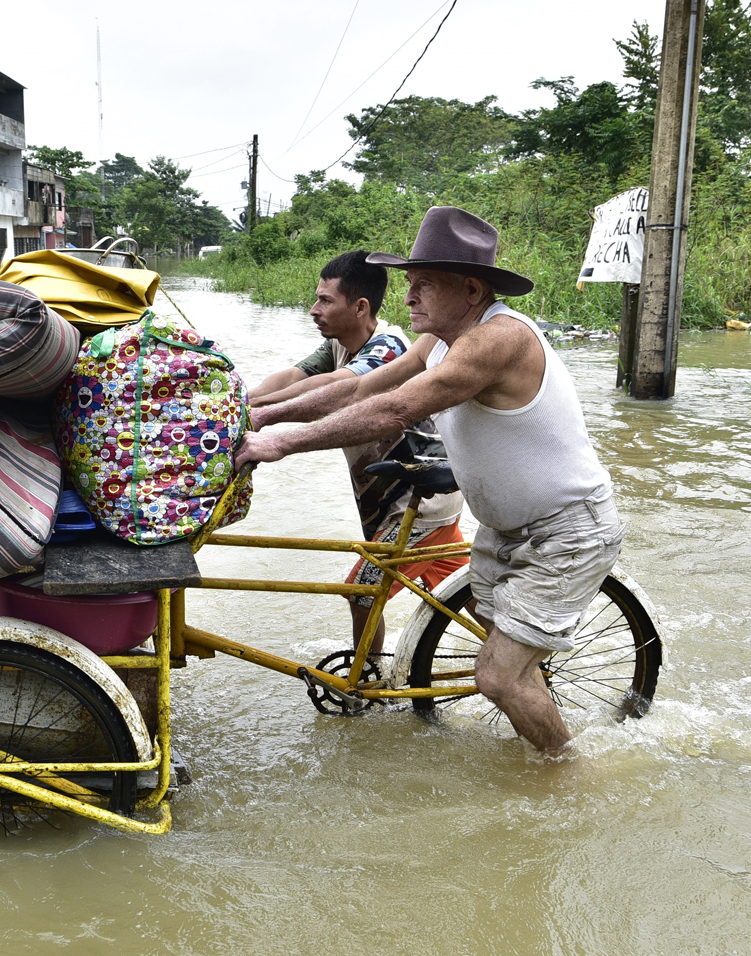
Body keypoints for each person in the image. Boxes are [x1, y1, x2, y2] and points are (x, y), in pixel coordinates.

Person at [235, 207, 624, 755]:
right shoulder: (436, 342)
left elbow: (393, 410)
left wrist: (280, 444)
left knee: (497, 676)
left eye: (424, 285)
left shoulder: (498, 339)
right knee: (495, 646)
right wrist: (259, 416)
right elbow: (358, 390)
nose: (409, 296)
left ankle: (572, 778)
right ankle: (540, 739)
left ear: (471, 290)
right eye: (410, 282)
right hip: (504, 530)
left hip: (565, 530)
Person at [248, 250, 466, 664]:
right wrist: (244, 398)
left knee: (362, 592)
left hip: (418, 503)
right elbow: (294, 376)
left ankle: (363, 678)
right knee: (464, 594)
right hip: (400, 498)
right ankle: (519, 658)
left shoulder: (388, 348)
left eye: (325, 300)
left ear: (360, 307)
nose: (314, 310)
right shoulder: (337, 345)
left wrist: (260, 414)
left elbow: (337, 389)